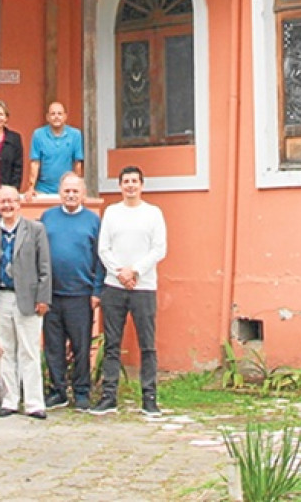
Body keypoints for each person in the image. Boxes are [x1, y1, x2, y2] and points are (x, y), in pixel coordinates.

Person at [92, 166, 167, 417]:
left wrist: (134, 271)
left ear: (142, 185)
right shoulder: (112, 213)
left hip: (144, 287)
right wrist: (120, 273)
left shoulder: (153, 214)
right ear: (120, 186)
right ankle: (109, 396)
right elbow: (104, 249)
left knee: (148, 345)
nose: (131, 186)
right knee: (112, 344)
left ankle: (149, 397)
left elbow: (159, 249)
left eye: (135, 181)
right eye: (126, 181)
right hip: (114, 286)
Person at [40, 173, 105, 412]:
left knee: (81, 346)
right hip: (52, 294)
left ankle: (81, 392)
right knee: (54, 347)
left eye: (75, 191)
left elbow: (101, 258)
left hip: (81, 293)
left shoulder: (93, 221)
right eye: (66, 190)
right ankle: (57, 391)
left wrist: (97, 290)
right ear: (60, 192)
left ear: (83, 194)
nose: (70, 195)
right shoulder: (48, 217)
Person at [0, 186, 51, 419]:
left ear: (19, 203)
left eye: (11, 201)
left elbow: (44, 267)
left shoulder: (35, 229)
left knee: (30, 350)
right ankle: (9, 400)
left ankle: (34, 402)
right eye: (2, 202)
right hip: (2, 296)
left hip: (28, 298)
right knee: (6, 349)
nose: (7, 206)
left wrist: (43, 297)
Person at [25, 101, 84, 200]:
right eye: (53, 114)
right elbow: (35, 163)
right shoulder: (38, 135)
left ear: (65, 116)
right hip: (43, 189)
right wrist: (31, 188)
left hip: (67, 190)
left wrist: (78, 187)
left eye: (60, 114)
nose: (56, 117)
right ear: (47, 117)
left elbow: (77, 164)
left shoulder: (75, 135)